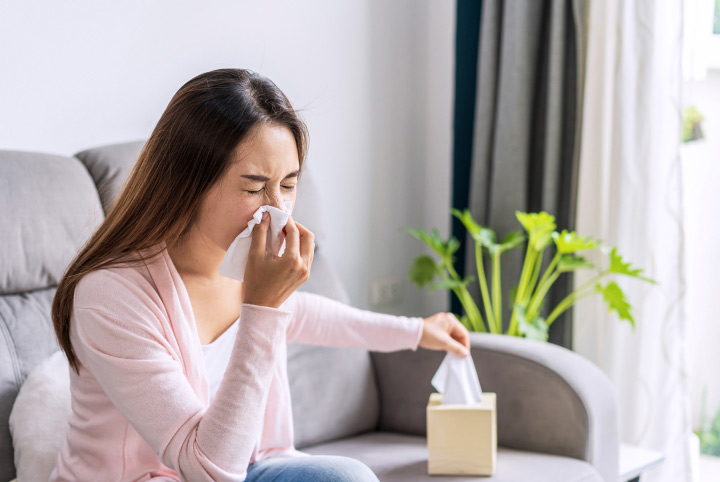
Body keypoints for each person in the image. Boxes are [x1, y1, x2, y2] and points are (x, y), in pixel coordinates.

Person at [49, 68, 471, 482]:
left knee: (348, 477)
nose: (276, 210)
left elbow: (307, 314)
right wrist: (262, 309)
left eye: (287, 185)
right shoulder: (110, 295)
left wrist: (416, 331)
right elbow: (208, 469)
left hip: (247, 466)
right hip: (170, 474)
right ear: (186, 182)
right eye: (253, 188)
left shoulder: (238, 262)